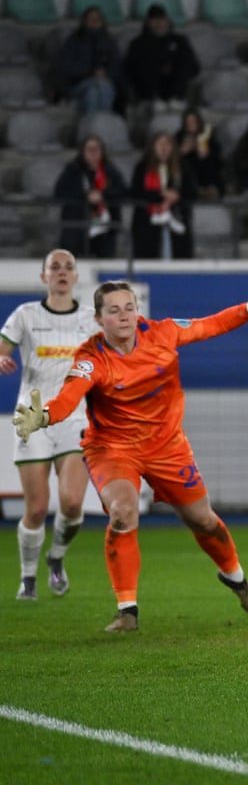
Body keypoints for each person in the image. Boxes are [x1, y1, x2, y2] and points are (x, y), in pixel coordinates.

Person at [11, 279, 248, 632]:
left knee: (203, 520)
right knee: (123, 512)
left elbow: (213, 324)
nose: (124, 316)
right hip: (113, 448)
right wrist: (45, 416)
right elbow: (69, 397)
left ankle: (237, 581)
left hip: (167, 447)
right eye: (113, 311)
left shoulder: (164, 332)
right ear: (99, 319)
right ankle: (127, 611)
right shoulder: (91, 358)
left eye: (129, 307)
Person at [2, 250, 94, 600]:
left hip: (75, 418)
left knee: (71, 504)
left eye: (68, 266)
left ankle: (56, 557)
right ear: (43, 277)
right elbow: (2, 349)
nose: (61, 272)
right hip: (33, 419)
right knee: (37, 508)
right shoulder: (25, 315)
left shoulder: (90, 319)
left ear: (75, 277)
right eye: (54, 267)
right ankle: (28, 578)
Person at [52, 135, 127, 259]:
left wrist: (103, 195)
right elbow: (59, 193)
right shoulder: (73, 170)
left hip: (104, 231)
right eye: (89, 149)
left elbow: (123, 191)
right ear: (83, 152)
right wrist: (86, 197)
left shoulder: (110, 171)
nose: (93, 153)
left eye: (96, 149)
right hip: (77, 230)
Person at [129, 132, 197, 259]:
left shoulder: (183, 168)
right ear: (153, 147)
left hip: (177, 222)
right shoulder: (142, 167)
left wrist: (177, 196)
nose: (164, 148)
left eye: (167, 144)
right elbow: (135, 193)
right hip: (148, 225)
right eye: (160, 144)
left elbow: (192, 192)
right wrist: (160, 195)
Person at [122, 3, 199, 110]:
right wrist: (157, 68)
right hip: (149, 89)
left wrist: (172, 68)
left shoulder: (180, 41)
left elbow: (194, 66)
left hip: (174, 83)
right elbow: (129, 69)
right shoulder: (137, 43)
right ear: (148, 22)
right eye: (154, 20)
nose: (158, 23)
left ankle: (176, 99)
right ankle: (154, 100)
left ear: (167, 20)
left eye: (161, 19)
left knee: (184, 62)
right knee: (143, 64)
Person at [56, 6, 121, 114]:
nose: (94, 22)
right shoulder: (73, 41)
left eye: (98, 19)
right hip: (77, 85)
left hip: (103, 82)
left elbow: (117, 66)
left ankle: (92, 127)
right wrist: (91, 73)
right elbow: (66, 68)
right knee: (101, 85)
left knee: (93, 93)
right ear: (84, 22)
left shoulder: (109, 41)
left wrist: (105, 72)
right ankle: (103, 123)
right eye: (91, 19)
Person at [176, 108, 225, 200]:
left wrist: (206, 153)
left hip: (208, 175)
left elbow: (218, 160)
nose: (191, 124)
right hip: (187, 175)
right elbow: (171, 158)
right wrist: (182, 152)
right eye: (188, 122)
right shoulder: (179, 137)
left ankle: (208, 189)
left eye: (193, 121)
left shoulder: (208, 137)